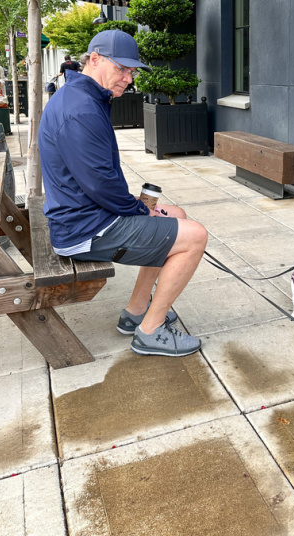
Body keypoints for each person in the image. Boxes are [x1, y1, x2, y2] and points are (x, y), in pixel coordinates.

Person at [38, 29, 208, 357]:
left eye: (131, 72)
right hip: (84, 228)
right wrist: (142, 210)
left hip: (85, 215)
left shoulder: (83, 97)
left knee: (177, 216)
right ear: (96, 59)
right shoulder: (80, 109)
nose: (128, 79)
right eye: (122, 69)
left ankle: (135, 312)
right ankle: (151, 331)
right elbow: (100, 184)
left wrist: (144, 209)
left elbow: (97, 181)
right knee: (195, 236)